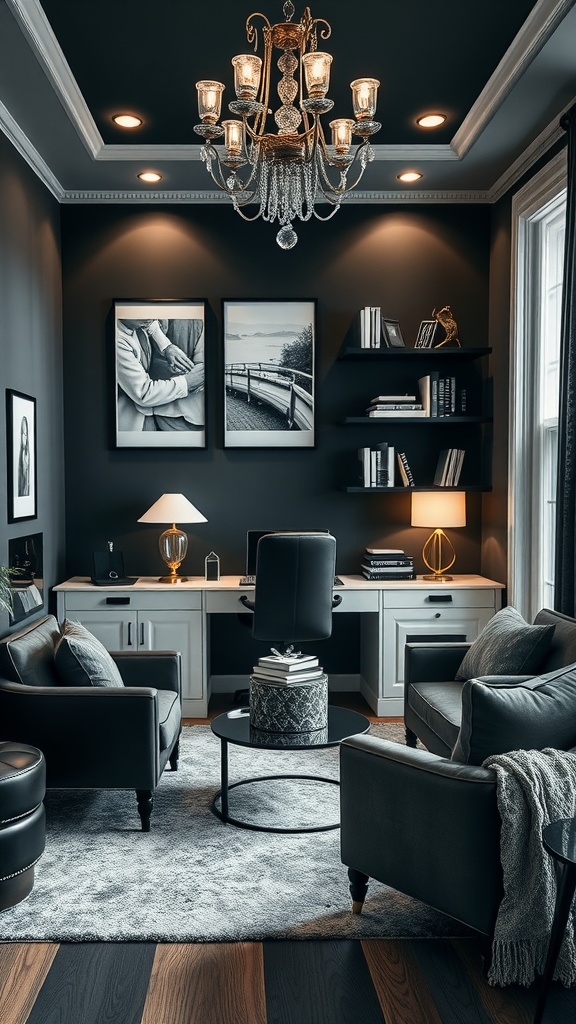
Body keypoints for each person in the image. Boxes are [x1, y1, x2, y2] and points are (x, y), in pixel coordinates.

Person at [116, 318, 204, 432]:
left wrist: (167, 346)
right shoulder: (119, 342)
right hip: (136, 419)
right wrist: (188, 382)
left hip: (156, 412)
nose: (152, 317)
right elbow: (143, 393)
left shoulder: (138, 321)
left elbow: (151, 325)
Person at [17, 416, 30, 496]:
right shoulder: (21, 455)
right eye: (22, 434)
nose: (24, 437)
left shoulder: (27, 455)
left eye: (25, 434)